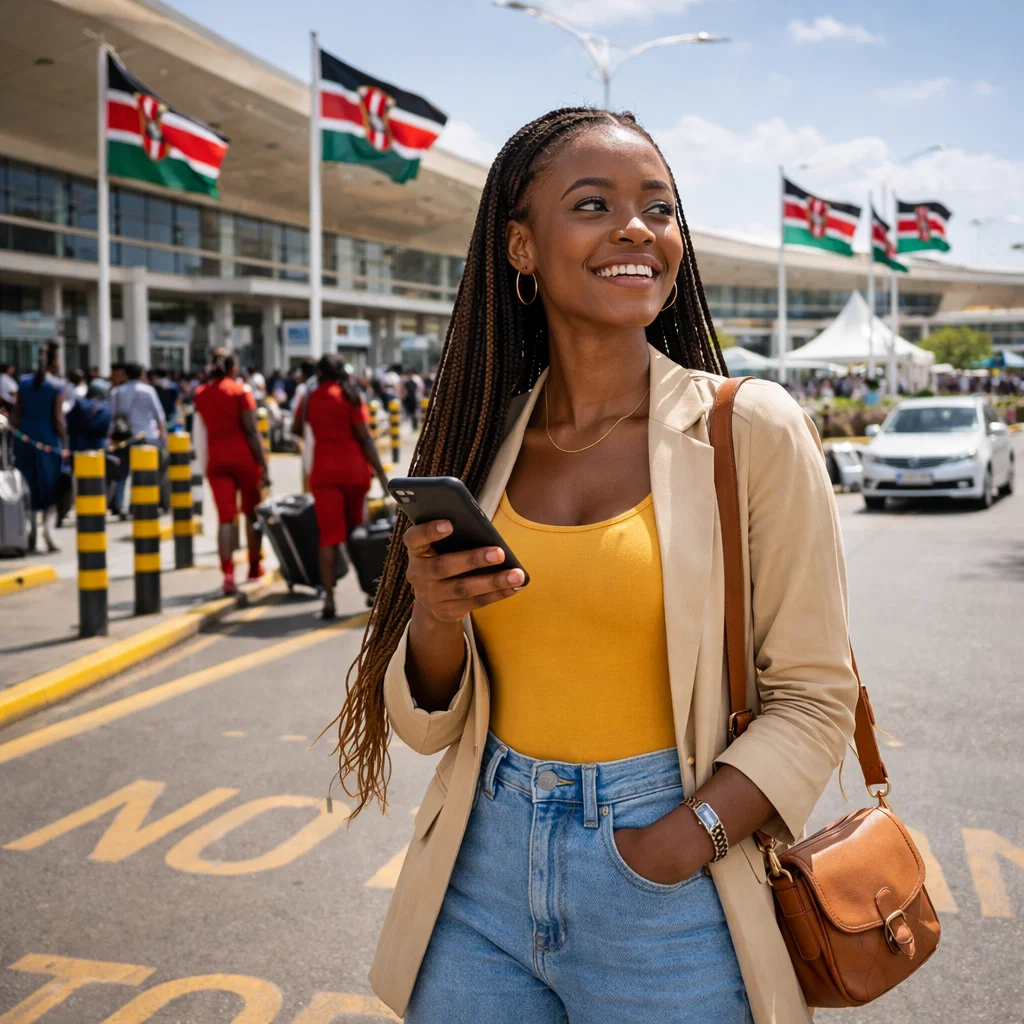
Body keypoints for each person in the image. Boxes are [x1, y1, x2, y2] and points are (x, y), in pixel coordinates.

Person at [327, 108, 859, 1024]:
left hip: (671, 882)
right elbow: (424, 729)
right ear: (521, 247)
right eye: (594, 204)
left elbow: (817, 694)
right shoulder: (483, 443)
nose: (636, 229)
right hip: (480, 868)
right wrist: (436, 619)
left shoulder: (748, 427)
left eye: (659, 208)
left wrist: (677, 845)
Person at [305, 354, 389, 619]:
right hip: (354, 472)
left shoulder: (311, 397)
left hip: (324, 474)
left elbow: (297, 427)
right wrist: (384, 478)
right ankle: (369, 588)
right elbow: (366, 439)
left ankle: (329, 600)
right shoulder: (352, 396)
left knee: (329, 537)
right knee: (357, 534)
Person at [193, 349, 269, 594]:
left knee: (226, 519)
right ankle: (254, 567)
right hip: (244, 457)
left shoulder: (201, 393)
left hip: (216, 458)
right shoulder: (241, 391)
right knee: (251, 514)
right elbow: (251, 431)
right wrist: (264, 465)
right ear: (234, 369)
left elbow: (200, 431)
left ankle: (227, 574)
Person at [12, 342, 66, 552]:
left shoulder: (23, 383)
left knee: (29, 485)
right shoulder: (57, 386)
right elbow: (58, 419)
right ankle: (49, 533)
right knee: (50, 486)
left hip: (24, 437)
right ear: (55, 362)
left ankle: (32, 531)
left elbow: (17, 413)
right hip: (48, 440)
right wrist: (65, 443)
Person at [107, 362, 167, 518]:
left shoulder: (116, 392)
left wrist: (110, 438)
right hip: (147, 437)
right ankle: (140, 504)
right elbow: (159, 415)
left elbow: (112, 417)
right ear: (142, 374)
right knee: (146, 474)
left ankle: (120, 506)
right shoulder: (148, 390)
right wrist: (163, 437)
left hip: (124, 437)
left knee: (122, 474)